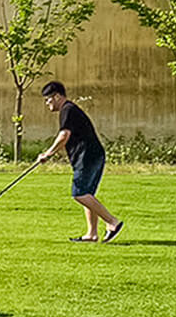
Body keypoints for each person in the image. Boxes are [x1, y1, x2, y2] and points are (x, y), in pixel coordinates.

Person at [36, 82, 124, 243]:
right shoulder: (70, 109)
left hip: (87, 156)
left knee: (79, 193)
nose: (47, 103)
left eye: (48, 99)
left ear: (57, 96)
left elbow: (64, 135)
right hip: (93, 155)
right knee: (87, 194)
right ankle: (92, 234)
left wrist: (47, 154)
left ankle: (112, 222)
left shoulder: (67, 110)